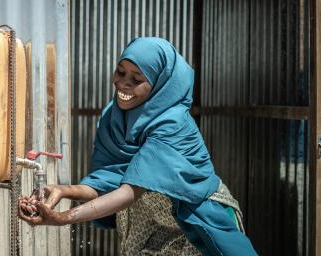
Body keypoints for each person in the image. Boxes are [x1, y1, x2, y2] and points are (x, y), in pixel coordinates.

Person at [18, 37, 257, 255]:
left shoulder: (172, 124)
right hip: (149, 221)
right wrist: (61, 190)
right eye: (120, 72)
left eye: (137, 79)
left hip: (197, 219)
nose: (123, 84)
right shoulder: (113, 117)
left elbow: (129, 191)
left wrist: (62, 218)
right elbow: (107, 180)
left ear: (160, 84)